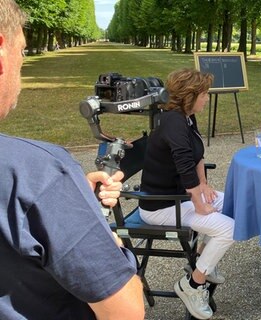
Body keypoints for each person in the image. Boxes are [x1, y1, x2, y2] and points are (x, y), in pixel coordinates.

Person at [0, 1, 145, 319]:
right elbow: (126, 311)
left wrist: (68, 200)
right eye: (22, 52)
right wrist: (94, 224)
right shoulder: (39, 173)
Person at [139, 68, 235, 320]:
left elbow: (197, 154)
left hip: (179, 197)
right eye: (204, 94)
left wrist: (203, 185)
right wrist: (199, 202)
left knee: (235, 205)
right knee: (229, 229)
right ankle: (193, 284)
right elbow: (183, 161)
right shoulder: (173, 121)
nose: (207, 98)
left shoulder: (187, 116)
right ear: (189, 96)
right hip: (159, 206)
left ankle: (203, 257)